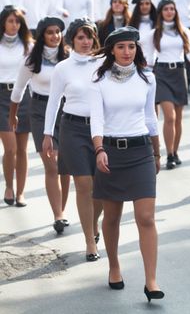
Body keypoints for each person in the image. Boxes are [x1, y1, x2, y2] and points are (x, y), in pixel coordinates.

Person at [89, 26, 163, 301]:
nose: (126, 52)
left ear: (136, 49)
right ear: (111, 50)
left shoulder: (147, 78)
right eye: (121, 47)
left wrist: (157, 153)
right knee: (112, 216)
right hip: (110, 151)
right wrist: (98, 150)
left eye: (131, 46)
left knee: (146, 217)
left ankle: (151, 281)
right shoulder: (99, 81)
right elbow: (96, 119)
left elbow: (151, 117)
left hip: (141, 150)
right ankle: (114, 266)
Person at [43, 18, 103, 262]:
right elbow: (54, 102)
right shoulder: (63, 68)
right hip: (73, 129)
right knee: (84, 184)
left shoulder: (103, 64)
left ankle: (93, 221)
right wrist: (48, 133)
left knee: (100, 189)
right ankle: (90, 240)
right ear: (72, 40)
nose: (86, 41)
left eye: (89, 36)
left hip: (101, 131)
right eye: (80, 37)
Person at [9, 17, 70, 232]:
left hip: (67, 112)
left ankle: (61, 210)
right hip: (40, 112)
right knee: (51, 165)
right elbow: (19, 89)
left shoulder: (69, 57)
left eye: (58, 32)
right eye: (50, 32)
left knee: (65, 166)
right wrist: (13, 114)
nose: (55, 36)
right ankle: (58, 215)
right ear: (42, 35)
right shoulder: (32, 59)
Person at [145, 0, 190, 169]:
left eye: (172, 9)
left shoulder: (183, 31)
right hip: (161, 74)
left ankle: (175, 151)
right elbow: (147, 56)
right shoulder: (155, 33)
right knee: (169, 116)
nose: (169, 12)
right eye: (166, 9)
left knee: (178, 118)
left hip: (179, 73)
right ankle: (168, 154)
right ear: (160, 12)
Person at [0, 5, 32, 207]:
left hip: (23, 98)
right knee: (9, 148)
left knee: (22, 149)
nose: (14, 25)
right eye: (10, 21)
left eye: (17, 21)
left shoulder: (28, 45)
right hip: (1, 97)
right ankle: (9, 186)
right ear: (3, 22)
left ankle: (20, 192)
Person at [129, 0, 157, 65]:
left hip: (157, 65)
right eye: (141, 4)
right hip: (138, 63)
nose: (144, 6)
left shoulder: (158, 24)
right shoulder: (132, 25)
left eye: (147, 3)